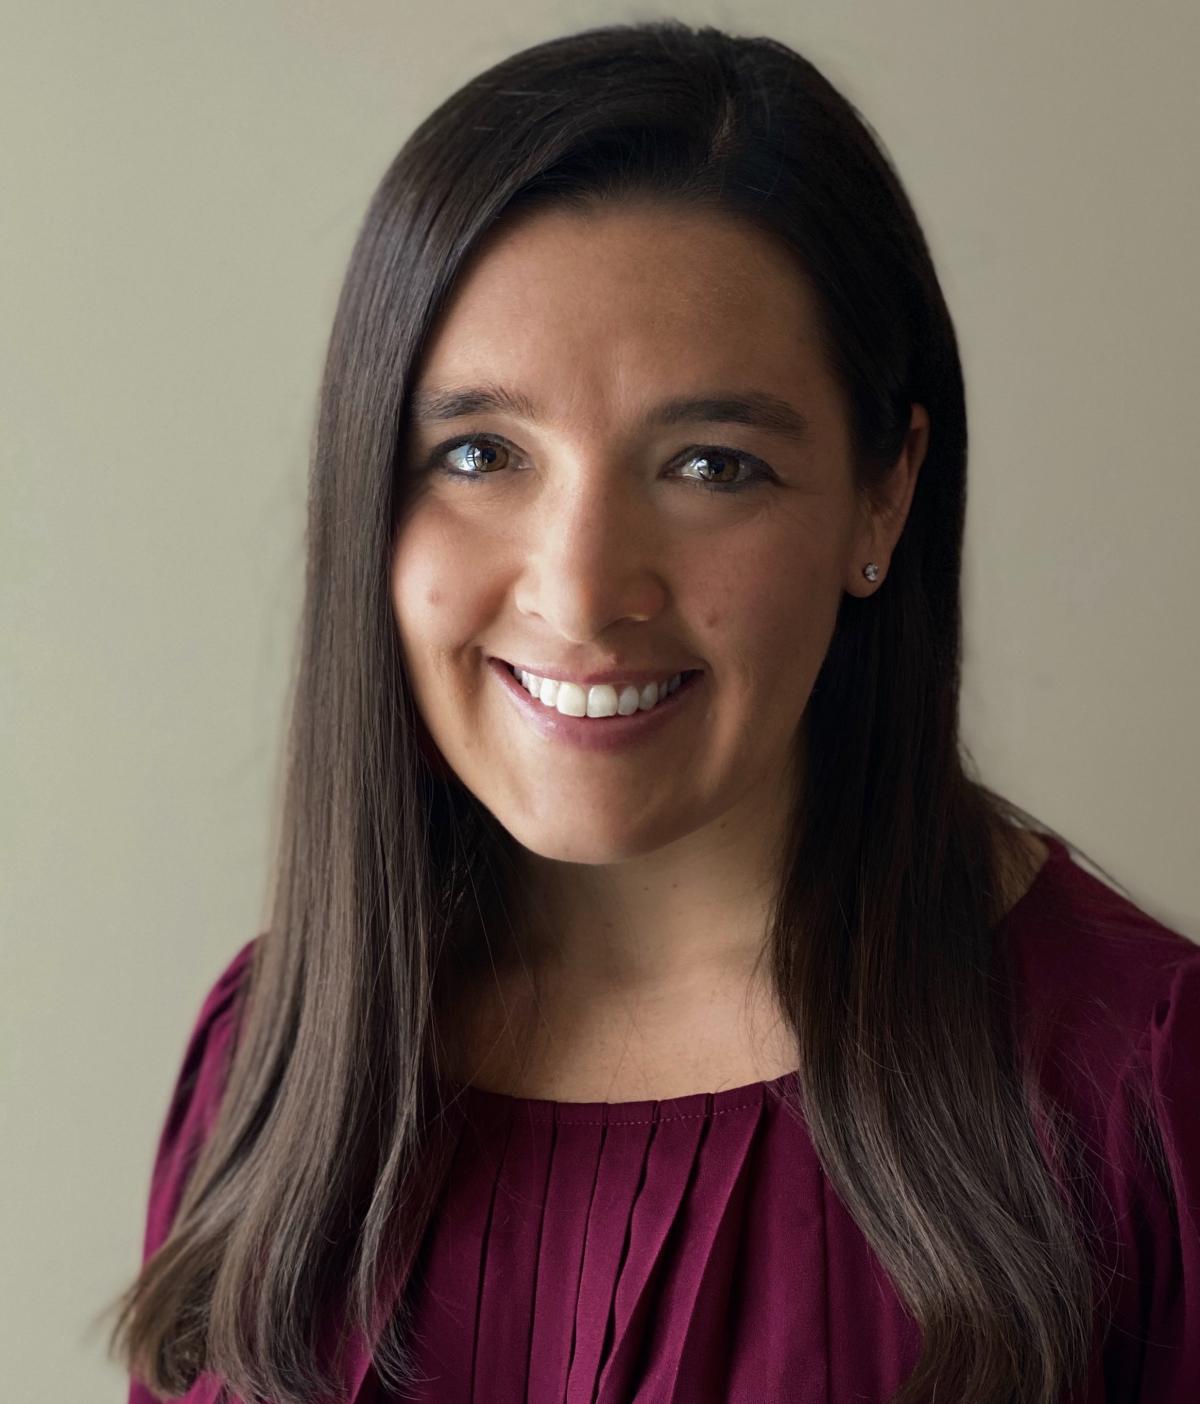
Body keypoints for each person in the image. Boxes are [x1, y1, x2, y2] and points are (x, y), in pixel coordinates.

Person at [107, 20, 1200, 1404]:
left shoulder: (1144, 1089)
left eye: (708, 463)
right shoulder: (273, 1054)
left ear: (884, 495)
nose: (578, 592)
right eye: (480, 453)